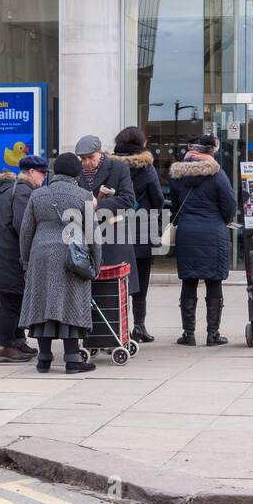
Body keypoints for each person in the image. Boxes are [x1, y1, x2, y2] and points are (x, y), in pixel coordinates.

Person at [19, 152, 98, 375]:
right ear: (76, 173)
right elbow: (93, 235)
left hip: (40, 255)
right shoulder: (83, 196)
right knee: (70, 302)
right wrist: (96, 264)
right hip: (72, 255)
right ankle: (72, 359)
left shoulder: (38, 195)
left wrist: (26, 261)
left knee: (42, 303)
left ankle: (44, 359)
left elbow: (26, 232)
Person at [0, 154, 48, 363]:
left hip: (2, 257)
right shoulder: (23, 192)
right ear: (32, 172)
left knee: (13, 299)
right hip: (8, 259)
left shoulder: (12, 189)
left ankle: (16, 340)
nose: (44, 178)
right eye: (42, 174)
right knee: (11, 302)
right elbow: (23, 226)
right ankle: (5, 346)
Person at [168, 134, 236, 346]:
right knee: (213, 281)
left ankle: (188, 334)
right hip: (213, 231)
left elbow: (175, 206)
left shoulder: (178, 174)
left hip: (187, 232)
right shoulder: (218, 174)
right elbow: (230, 205)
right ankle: (212, 334)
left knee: (189, 280)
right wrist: (221, 220)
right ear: (211, 152)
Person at [111, 126, 164, 343]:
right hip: (142, 229)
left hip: (114, 229)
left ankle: (115, 326)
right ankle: (139, 326)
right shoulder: (147, 168)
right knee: (140, 280)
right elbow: (158, 199)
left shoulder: (110, 167)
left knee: (114, 278)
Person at [74, 134, 139, 301]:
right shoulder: (76, 170)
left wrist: (98, 204)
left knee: (115, 294)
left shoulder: (118, 168)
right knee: (87, 294)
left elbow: (128, 200)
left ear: (100, 152)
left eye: (90, 157)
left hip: (113, 236)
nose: (86, 162)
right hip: (85, 237)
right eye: (82, 158)